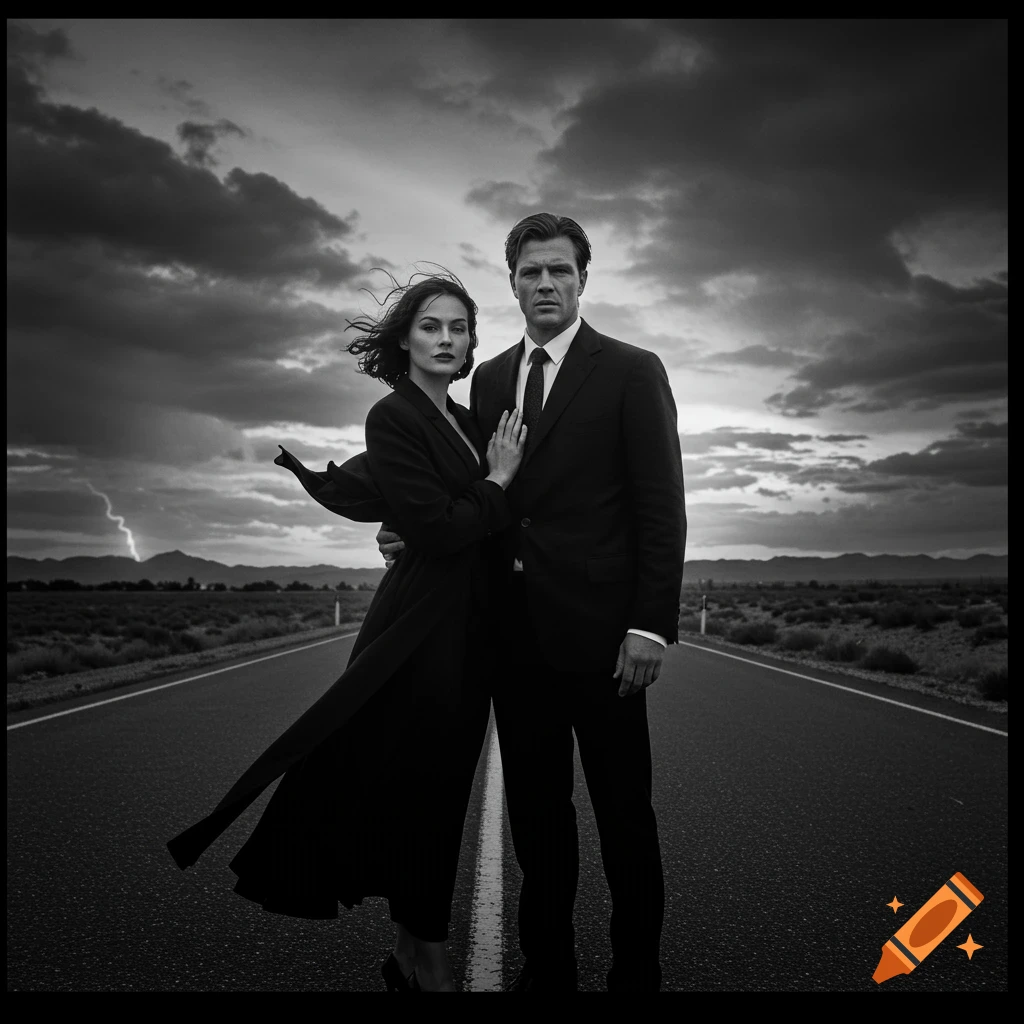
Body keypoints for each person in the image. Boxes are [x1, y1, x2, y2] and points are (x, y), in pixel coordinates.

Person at [167, 272, 527, 993]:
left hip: (469, 631)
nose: (447, 339)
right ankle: (430, 960)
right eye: (431, 326)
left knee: (438, 793)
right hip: (422, 630)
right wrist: (499, 481)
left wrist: (447, 513)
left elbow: (434, 520)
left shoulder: (463, 417)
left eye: (458, 328)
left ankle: (406, 948)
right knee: (422, 790)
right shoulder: (392, 418)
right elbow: (440, 524)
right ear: (404, 339)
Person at [377, 213, 687, 992]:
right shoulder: (488, 379)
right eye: (529, 272)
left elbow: (661, 506)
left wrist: (650, 625)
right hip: (514, 644)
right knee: (538, 825)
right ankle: (548, 970)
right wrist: (408, 527)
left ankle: (636, 972)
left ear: (583, 278)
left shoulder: (630, 369)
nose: (544, 284)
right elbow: (477, 487)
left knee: (625, 820)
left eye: (559, 270)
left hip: (607, 643)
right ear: (511, 282)